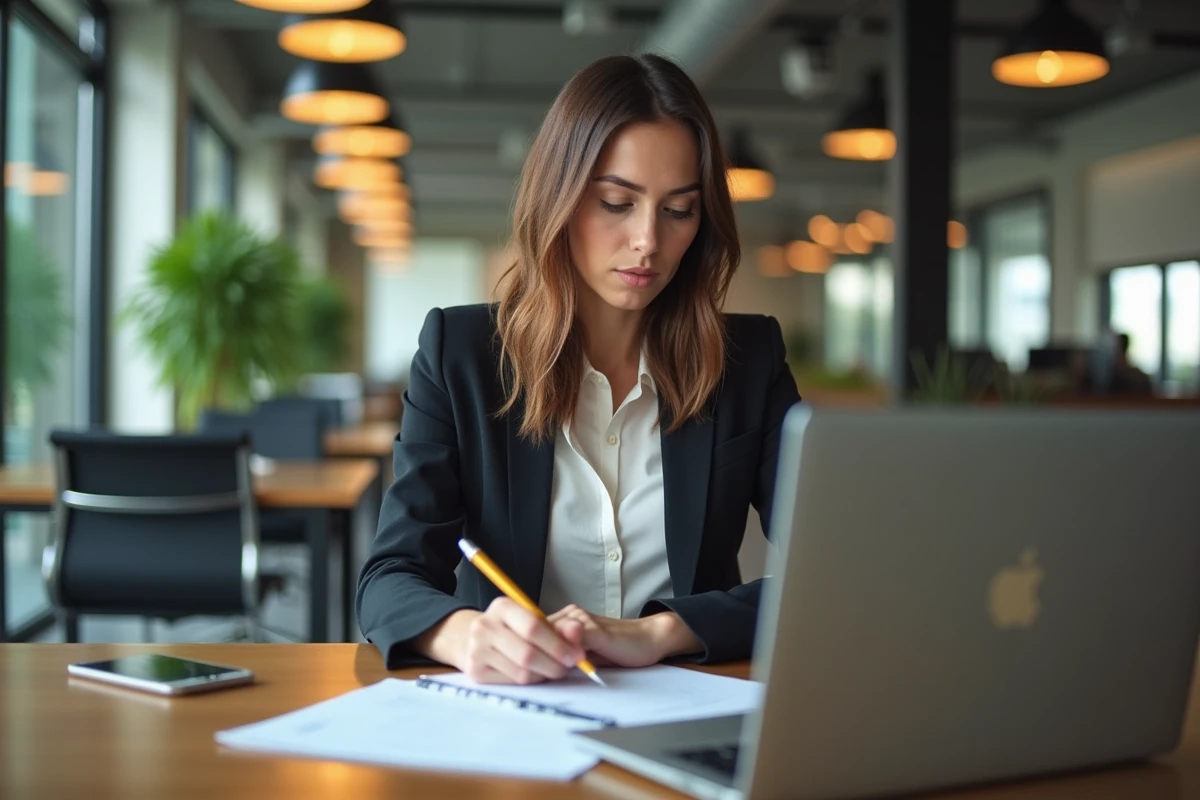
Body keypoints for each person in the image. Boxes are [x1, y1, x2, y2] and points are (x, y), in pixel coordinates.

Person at [356, 53, 801, 684]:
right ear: (559, 199)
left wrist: (659, 631)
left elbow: (836, 572)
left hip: (692, 704)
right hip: (517, 710)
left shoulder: (749, 360)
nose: (648, 240)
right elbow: (387, 578)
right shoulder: (463, 353)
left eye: (678, 210)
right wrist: (464, 634)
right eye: (617, 202)